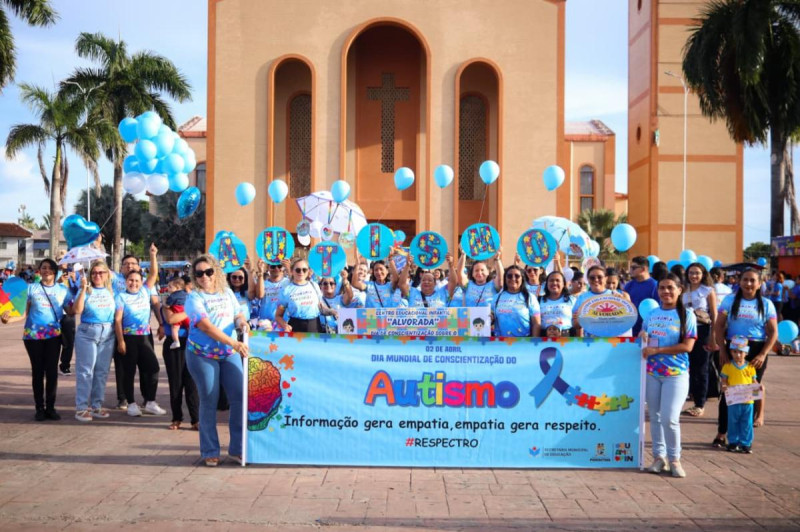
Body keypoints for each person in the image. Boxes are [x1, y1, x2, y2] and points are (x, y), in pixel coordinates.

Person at [184, 255, 250, 466]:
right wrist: (233, 342)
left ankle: (238, 448)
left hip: (228, 353)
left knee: (240, 398)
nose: (205, 276)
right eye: (199, 273)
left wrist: (242, 324)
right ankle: (210, 451)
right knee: (209, 399)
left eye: (209, 272)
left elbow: (238, 314)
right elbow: (205, 326)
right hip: (202, 354)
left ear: (216, 273)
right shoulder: (194, 297)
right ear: (194, 277)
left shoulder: (227, 292)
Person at [640, 273, 697, 478]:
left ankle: (675, 459)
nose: (666, 292)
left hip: (676, 374)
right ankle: (658, 457)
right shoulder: (652, 314)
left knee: (670, 418)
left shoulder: (687, 315)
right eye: (662, 288)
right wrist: (643, 337)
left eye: (670, 287)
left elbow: (688, 346)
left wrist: (658, 351)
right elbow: (643, 336)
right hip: (651, 373)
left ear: (680, 290)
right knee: (654, 417)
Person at [712, 268, 777, 447]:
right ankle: (722, 433)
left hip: (756, 348)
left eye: (752, 281)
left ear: (759, 283)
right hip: (732, 348)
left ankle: (743, 437)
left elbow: (772, 332)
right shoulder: (729, 300)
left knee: (749, 391)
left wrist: (763, 353)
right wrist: (723, 350)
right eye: (745, 280)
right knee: (727, 391)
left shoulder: (766, 304)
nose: (748, 284)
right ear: (739, 282)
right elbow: (719, 326)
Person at [1, 258, 69, 421]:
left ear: (55, 271)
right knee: (37, 372)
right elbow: (24, 313)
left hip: (54, 336)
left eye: (49, 268)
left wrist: (83, 291)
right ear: (39, 270)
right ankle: (39, 408)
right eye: (43, 268)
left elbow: (72, 311)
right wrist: (7, 320)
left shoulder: (62, 290)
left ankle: (51, 408)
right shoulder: (32, 288)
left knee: (52, 372)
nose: (46, 271)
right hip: (33, 336)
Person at [113, 246, 167, 418]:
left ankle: (150, 402)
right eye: (131, 281)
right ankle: (131, 404)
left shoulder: (145, 290)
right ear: (126, 281)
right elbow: (118, 320)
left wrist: (152, 255)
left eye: (137, 281)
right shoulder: (120, 296)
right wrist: (121, 341)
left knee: (153, 367)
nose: (134, 283)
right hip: (128, 338)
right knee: (129, 372)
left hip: (144, 337)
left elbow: (153, 273)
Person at [70, 260, 116, 422]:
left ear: (107, 275)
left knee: (102, 372)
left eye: (101, 272)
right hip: (87, 332)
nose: (97, 275)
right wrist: (82, 289)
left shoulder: (112, 291)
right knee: (85, 371)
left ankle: (97, 405)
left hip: (108, 334)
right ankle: (81, 407)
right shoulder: (86, 290)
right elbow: (77, 310)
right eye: (94, 273)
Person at [162, 276, 199, 431]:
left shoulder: (193, 300)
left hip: (191, 344)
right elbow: (171, 319)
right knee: (175, 384)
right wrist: (188, 310)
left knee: (192, 384)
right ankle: (176, 418)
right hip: (174, 346)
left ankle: (196, 419)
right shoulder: (167, 303)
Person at [720, 336, 760, 453]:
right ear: (731, 352)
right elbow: (724, 380)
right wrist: (724, 386)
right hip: (734, 400)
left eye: (741, 352)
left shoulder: (750, 367)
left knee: (747, 422)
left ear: (746, 352)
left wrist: (757, 387)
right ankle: (733, 442)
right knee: (733, 421)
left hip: (748, 401)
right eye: (735, 352)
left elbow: (754, 381)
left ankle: (746, 443)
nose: (738, 355)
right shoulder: (728, 366)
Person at [275, 259, 334, 332]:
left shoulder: (314, 286)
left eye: (304, 270)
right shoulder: (286, 290)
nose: (301, 272)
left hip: (314, 326)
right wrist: (284, 325)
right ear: (292, 271)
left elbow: (321, 308)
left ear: (308, 271)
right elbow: (278, 315)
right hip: (296, 327)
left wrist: (333, 312)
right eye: (298, 270)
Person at [574, 265, 631, 337]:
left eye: (599, 277)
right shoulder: (582, 298)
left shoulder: (615, 296)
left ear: (605, 278)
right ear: (588, 279)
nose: (596, 280)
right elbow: (575, 324)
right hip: (590, 342)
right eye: (592, 278)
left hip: (612, 342)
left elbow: (627, 321)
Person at [491, 265, 541, 337]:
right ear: (505, 278)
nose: (513, 279)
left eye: (517, 276)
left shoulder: (530, 298)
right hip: (500, 343)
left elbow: (536, 324)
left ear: (522, 279)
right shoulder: (496, 298)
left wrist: (533, 344)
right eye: (509, 276)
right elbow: (491, 319)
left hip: (522, 343)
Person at [623, 256, 659, 336]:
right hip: (630, 331)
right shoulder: (629, 285)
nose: (630, 270)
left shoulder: (655, 286)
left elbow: (658, 310)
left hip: (648, 333)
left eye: (633, 268)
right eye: (630, 267)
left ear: (643, 269)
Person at [56, 257, 79, 376]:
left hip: (69, 312)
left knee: (69, 341)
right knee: (53, 342)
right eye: (61, 259)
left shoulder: (74, 274)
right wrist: (58, 281)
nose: (63, 262)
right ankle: (48, 366)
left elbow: (78, 291)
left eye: (65, 259)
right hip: (54, 313)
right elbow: (47, 287)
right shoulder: (53, 272)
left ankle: (65, 365)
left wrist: (74, 280)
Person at [252, 259, 291, 327]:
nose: (276, 268)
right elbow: (260, 295)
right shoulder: (263, 283)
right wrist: (260, 271)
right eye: (273, 266)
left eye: (279, 266)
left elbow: (297, 282)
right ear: (268, 268)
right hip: (265, 323)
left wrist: (289, 269)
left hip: (284, 323)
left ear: (283, 267)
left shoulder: (288, 282)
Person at [538, 271, 575, 337]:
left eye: (558, 280)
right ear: (547, 284)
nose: (554, 283)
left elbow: (577, 321)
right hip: (543, 338)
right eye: (551, 280)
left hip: (566, 337)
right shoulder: (539, 300)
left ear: (563, 284)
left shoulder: (572, 300)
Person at [166, 278, 190, 349]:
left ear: (178, 287)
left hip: (177, 314)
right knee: (189, 328)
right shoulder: (186, 294)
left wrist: (164, 302)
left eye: (170, 286)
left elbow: (167, 305)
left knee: (174, 328)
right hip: (186, 315)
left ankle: (176, 341)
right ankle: (191, 340)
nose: (168, 288)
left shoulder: (172, 295)